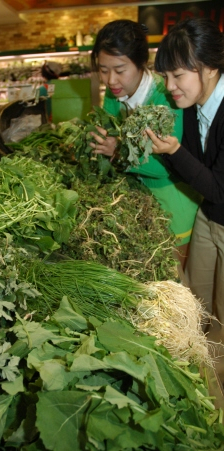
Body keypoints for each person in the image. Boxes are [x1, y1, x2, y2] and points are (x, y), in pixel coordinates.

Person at [145, 17, 224, 382]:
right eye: (166, 76)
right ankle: (197, 371)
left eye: (177, 75)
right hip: (210, 215)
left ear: (208, 67)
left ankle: (216, 391)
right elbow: (192, 171)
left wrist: (174, 150)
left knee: (222, 314)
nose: (169, 86)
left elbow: (219, 186)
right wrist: (165, 150)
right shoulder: (193, 108)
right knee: (195, 298)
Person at [89, 19, 201, 270]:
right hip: (140, 204)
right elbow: (108, 129)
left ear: (141, 63)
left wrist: (117, 151)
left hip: (174, 206)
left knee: (177, 287)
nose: (111, 80)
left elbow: (167, 165)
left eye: (119, 69)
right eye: (103, 70)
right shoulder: (113, 93)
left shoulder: (167, 97)